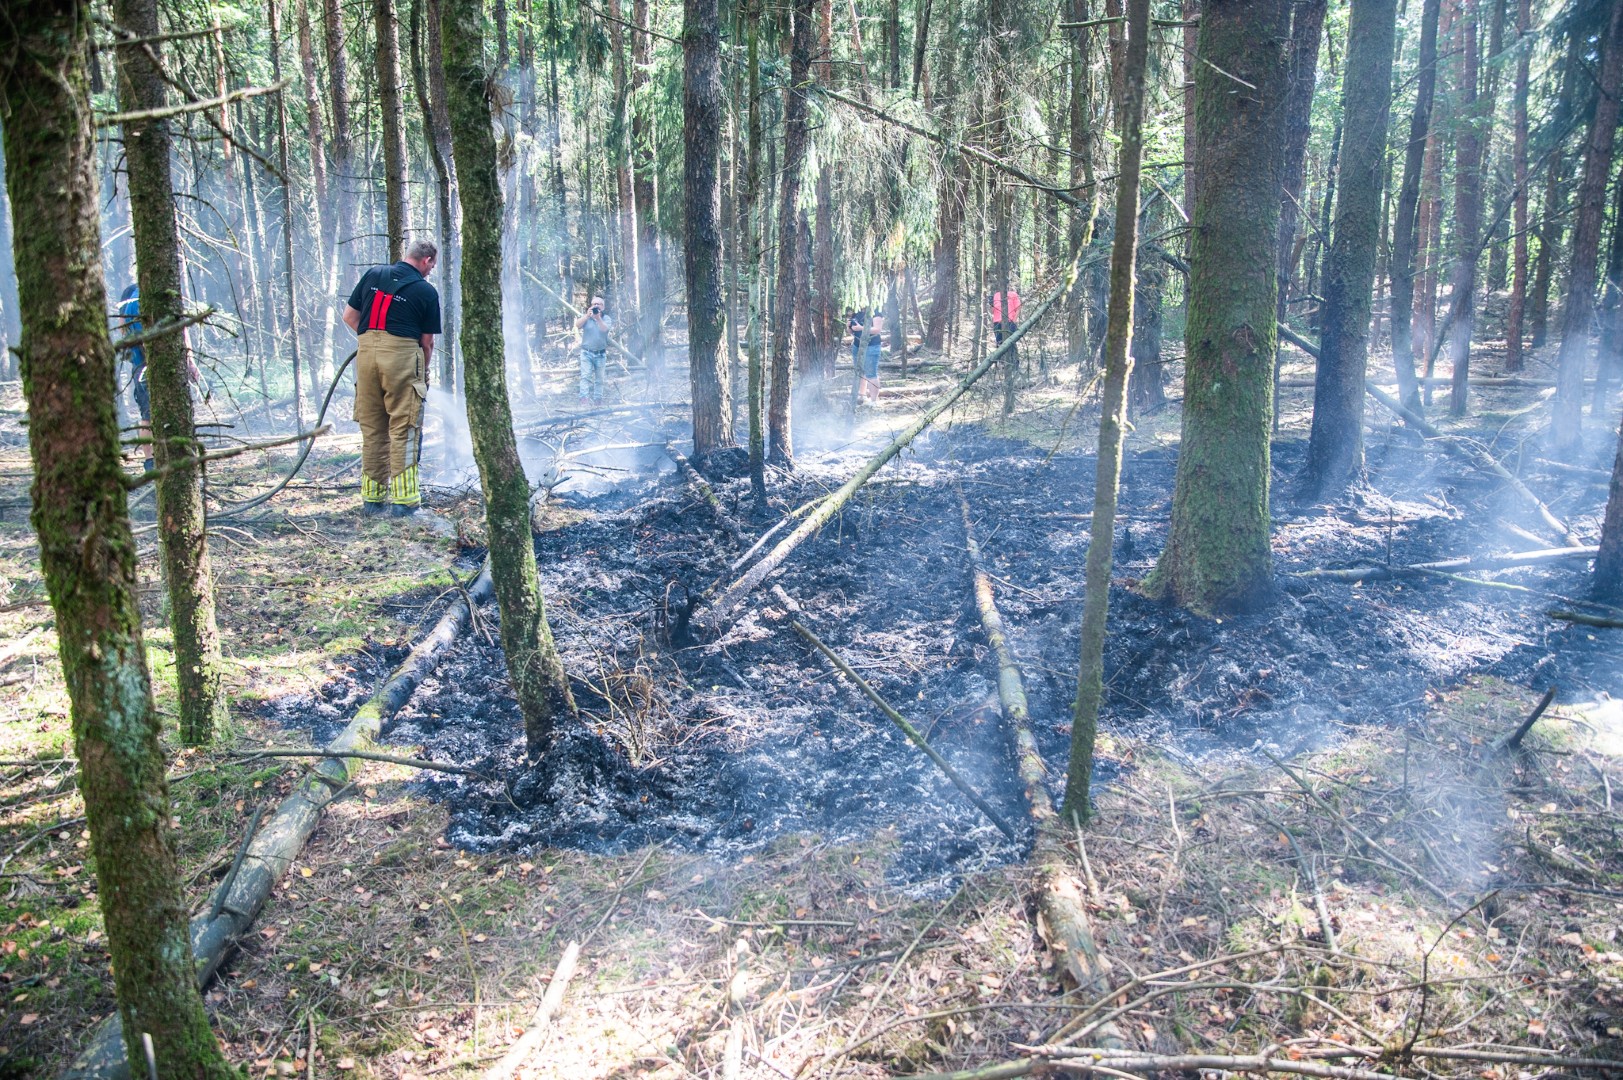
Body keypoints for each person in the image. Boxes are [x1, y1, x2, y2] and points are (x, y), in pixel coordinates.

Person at [343, 239, 441, 517]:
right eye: (432, 265)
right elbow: (427, 342)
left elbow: (350, 316)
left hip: (366, 357)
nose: (431, 270)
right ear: (426, 261)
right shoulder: (425, 290)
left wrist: (373, 343)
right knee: (404, 427)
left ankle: (372, 502)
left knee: (373, 429)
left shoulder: (374, 274)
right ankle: (405, 503)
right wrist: (423, 373)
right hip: (401, 358)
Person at [116, 284, 153, 472]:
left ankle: (150, 460)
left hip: (139, 367)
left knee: (147, 415)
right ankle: (152, 460)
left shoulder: (130, 297)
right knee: (150, 415)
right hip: (148, 366)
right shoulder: (142, 296)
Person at [574, 295, 613, 406]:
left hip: (600, 354)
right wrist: (587, 316)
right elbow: (577, 325)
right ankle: (584, 401)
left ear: (603, 307)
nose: (596, 306)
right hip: (586, 352)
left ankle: (597, 402)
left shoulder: (606, 318)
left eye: (598, 304)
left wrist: (598, 318)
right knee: (585, 377)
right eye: (593, 304)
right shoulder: (587, 318)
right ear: (590, 306)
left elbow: (604, 329)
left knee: (600, 379)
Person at [857, 310, 884, 404]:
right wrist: (850, 327)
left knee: (871, 373)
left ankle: (873, 401)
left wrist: (860, 328)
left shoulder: (875, 311)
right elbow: (850, 330)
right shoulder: (856, 310)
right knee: (860, 371)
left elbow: (877, 329)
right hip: (857, 345)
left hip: (872, 345)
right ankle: (861, 395)